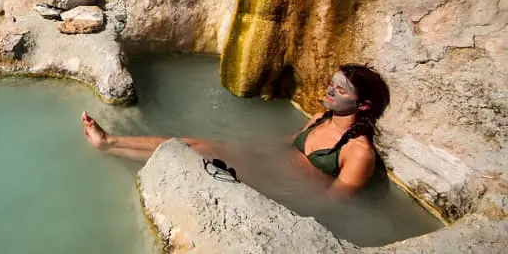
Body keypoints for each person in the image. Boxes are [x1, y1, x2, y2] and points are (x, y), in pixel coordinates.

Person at [81, 64, 390, 196]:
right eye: (331, 84)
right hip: (269, 164)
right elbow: (288, 142)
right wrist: (251, 146)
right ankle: (109, 141)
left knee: (195, 152)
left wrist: (276, 191)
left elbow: (334, 203)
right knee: (192, 142)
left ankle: (110, 144)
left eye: (341, 90)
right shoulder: (322, 117)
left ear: (363, 105)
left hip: (282, 184)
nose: (330, 91)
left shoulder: (358, 152)